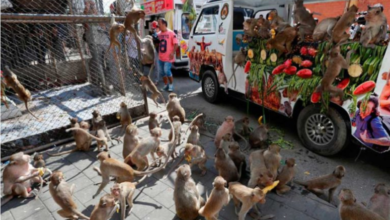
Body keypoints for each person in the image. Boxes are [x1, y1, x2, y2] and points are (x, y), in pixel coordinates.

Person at [157, 18, 178, 92]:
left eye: (159, 23)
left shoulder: (171, 33)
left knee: (167, 70)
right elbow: (157, 44)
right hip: (160, 57)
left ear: (164, 24)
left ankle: (171, 85)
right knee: (162, 72)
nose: (158, 25)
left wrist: (173, 52)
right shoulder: (158, 34)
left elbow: (176, 44)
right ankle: (166, 85)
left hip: (168, 57)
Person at [150, 21, 160, 85]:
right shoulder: (154, 34)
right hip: (157, 51)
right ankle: (156, 80)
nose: (154, 30)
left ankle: (157, 80)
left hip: (161, 51)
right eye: (153, 29)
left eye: (154, 28)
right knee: (157, 66)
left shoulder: (160, 33)